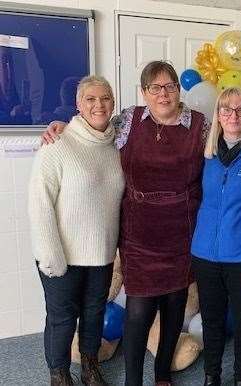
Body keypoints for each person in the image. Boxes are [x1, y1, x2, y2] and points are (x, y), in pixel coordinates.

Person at [42, 61, 210, 386]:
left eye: (170, 86)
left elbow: (228, 147)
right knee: (137, 313)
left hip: (181, 233)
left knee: (175, 310)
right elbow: (92, 130)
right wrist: (61, 126)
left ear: (178, 89)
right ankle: (133, 380)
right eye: (155, 88)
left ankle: (161, 375)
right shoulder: (127, 121)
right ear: (144, 92)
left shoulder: (201, 125)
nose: (163, 94)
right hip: (138, 235)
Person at [29, 75, 125, 386]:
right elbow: (39, 203)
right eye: (91, 99)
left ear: (112, 102)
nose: (99, 104)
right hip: (62, 255)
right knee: (62, 320)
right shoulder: (57, 144)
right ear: (78, 105)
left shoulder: (117, 142)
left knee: (94, 314)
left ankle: (89, 366)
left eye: (105, 98)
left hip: (101, 253)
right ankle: (58, 374)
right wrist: (49, 254)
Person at [190, 87, 241, 386]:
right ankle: (212, 376)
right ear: (218, 115)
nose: (233, 116)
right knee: (212, 321)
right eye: (226, 110)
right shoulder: (206, 154)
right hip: (205, 254)